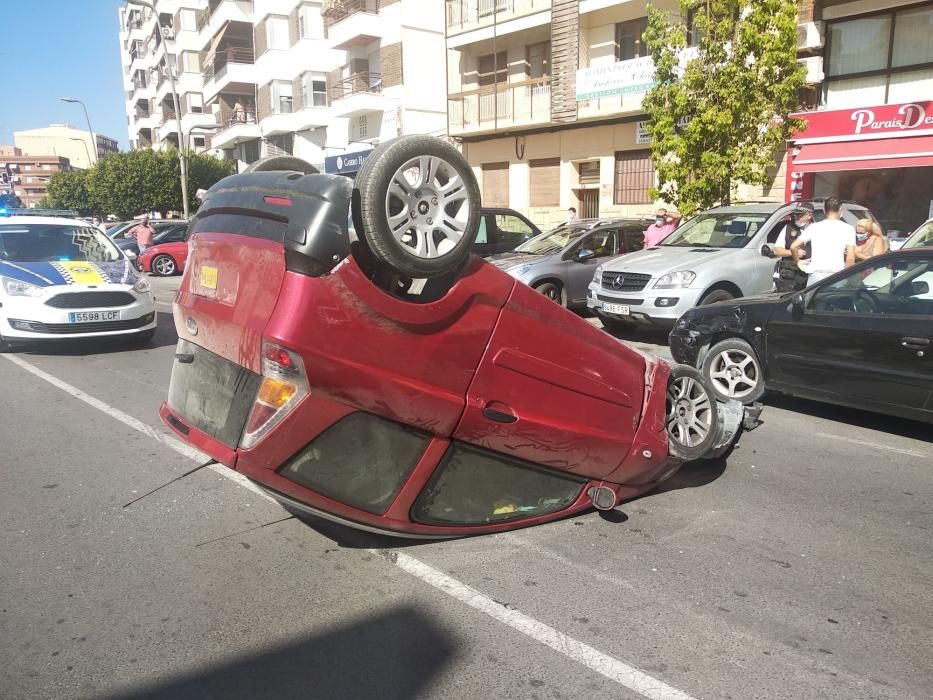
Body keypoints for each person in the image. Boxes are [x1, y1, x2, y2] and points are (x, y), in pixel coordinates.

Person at [790, 196, 856, 286]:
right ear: (841, 210)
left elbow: (793, 246)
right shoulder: (848, 229)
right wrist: (848, 278)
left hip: (815, 275)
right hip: (837, 275)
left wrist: (798, 261)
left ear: (824, 210)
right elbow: (850, 257)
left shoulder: (814, 227)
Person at [771, 203, 813, 292]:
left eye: (800, 215)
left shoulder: (817, 229)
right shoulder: (788, 228)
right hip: (790, 274)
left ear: (809, 215)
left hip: (810, 274)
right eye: (795, 215)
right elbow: (776, 250)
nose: (796, 217)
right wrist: (792, 252)